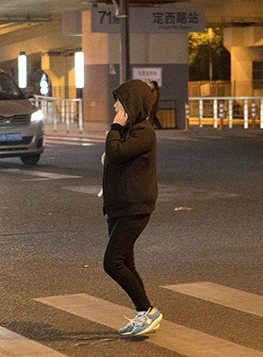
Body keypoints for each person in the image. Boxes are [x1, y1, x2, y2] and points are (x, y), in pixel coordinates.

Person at [101, 79, 161, 336]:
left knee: (112, 262)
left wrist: (115, 127)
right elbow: (116, 155)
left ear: (130, 105)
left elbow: (115, 154)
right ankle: (143, 313)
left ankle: (148, 310)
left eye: (119, 103)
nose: (115, 106)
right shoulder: (131, 132)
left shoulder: (143, 132)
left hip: (135, 206)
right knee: (126, 262)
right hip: (120, 206)